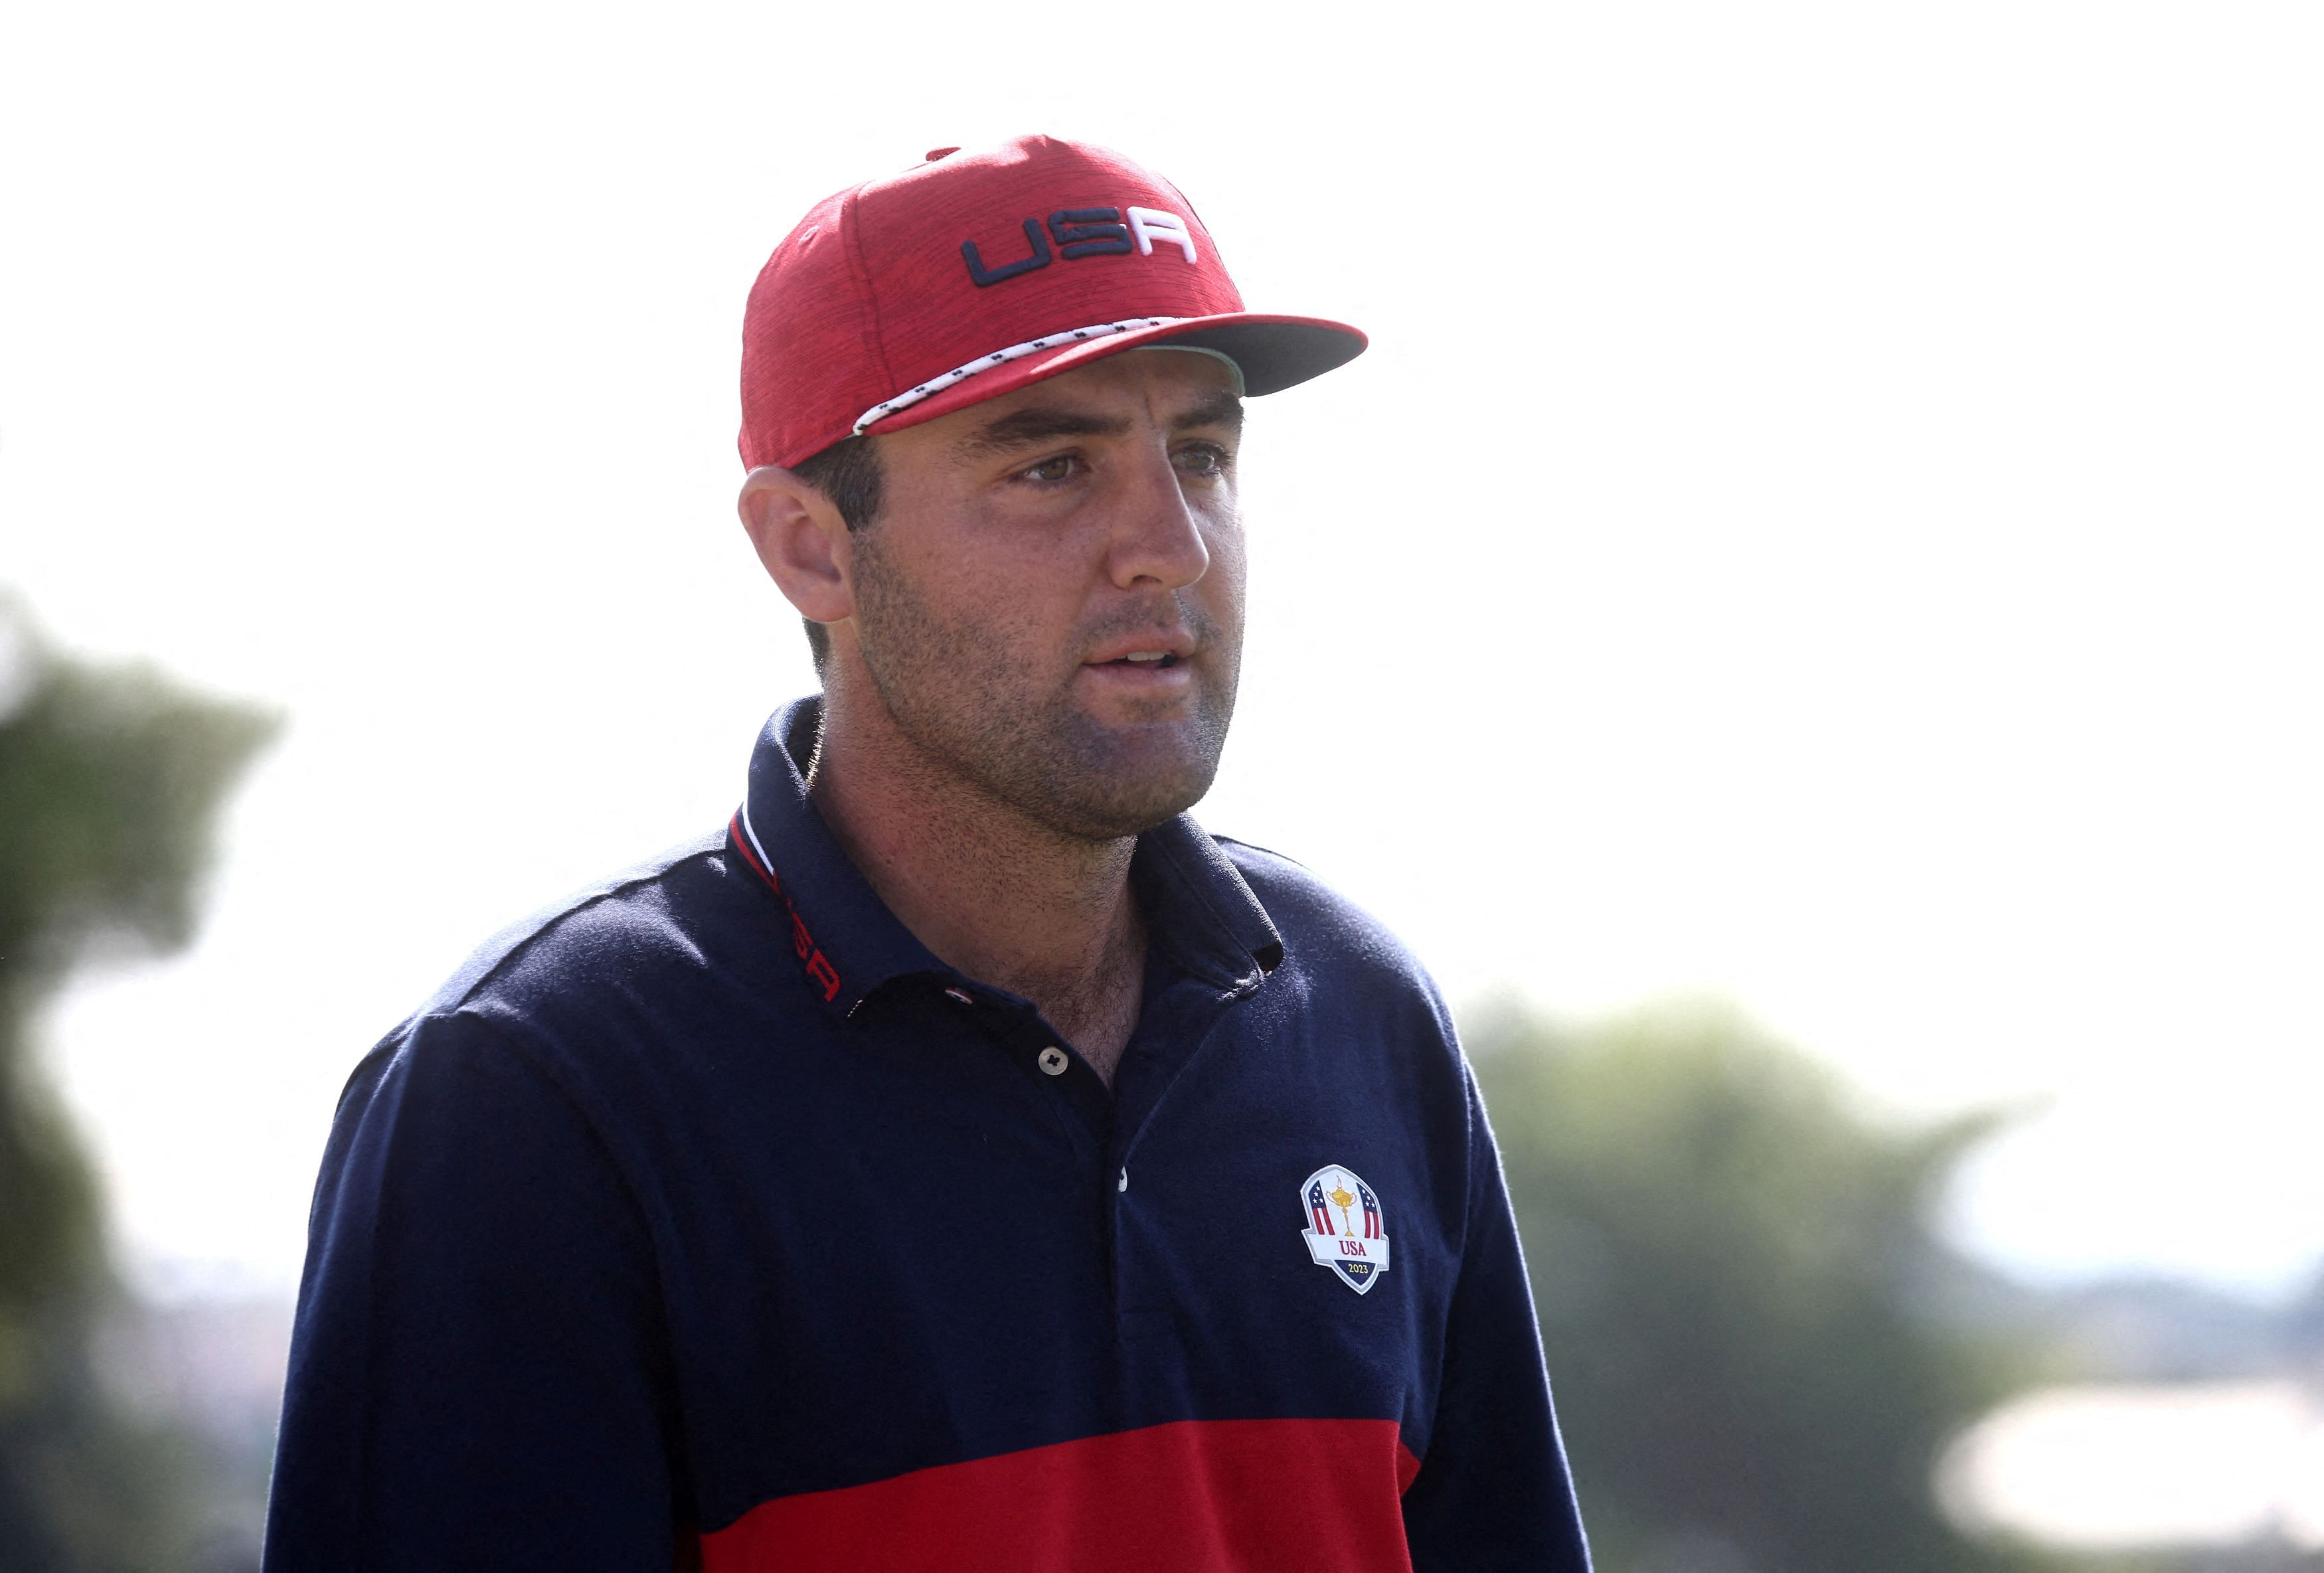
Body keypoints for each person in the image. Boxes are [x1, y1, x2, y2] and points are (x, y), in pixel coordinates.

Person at [264, 135, 1592, 1572]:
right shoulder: (536, 1095)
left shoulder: (1358, 1019)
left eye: (1202, 454)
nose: (1171, 545)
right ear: (809, 550)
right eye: (1053, 465)